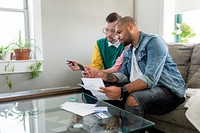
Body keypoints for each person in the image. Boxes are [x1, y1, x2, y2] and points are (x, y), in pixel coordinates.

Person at [84, 16, 186, 117]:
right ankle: (112, 124)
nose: (117, 37)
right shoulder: (128, 51)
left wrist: (122, 91)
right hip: (147, 89)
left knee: (133, 99)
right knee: (97, 87)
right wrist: (101, 75)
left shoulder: (154, 42)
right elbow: (124, 74)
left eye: (119, 32)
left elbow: (150, 78)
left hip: (168, 90)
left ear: (131, 27)